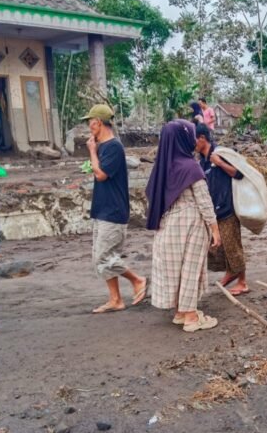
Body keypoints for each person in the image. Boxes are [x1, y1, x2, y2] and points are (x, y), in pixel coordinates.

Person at [146, 119, 222, 332]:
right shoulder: (190, 167)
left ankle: (180, 311)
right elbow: (204, 202)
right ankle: (191, 317)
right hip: (191, 224)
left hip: (169, 225)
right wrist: (215, 229)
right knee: (190, 269)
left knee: (177, 269)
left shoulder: (162, 167)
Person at [82, 104, 148, 314]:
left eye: (89, 122)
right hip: (103, 209)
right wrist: (94, 151)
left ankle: (137, 280)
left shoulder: (113, 147)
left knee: (103, 256)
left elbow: (101, 174)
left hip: (113, 211)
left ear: (98, 122)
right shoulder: (104, 146)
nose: (88, 126)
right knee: (101, 256)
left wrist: (92, 151)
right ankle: (115, 299)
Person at [195, 123, 249, 296]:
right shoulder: (201, 161)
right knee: (221, 247)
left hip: (228, 207)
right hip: (214, 210)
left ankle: (242, 282)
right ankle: (230, 273)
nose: (192, 144)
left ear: (202, 138)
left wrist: (219, 163)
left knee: (232, 245)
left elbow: (239, 173)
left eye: (193, 140)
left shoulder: (221, 154)